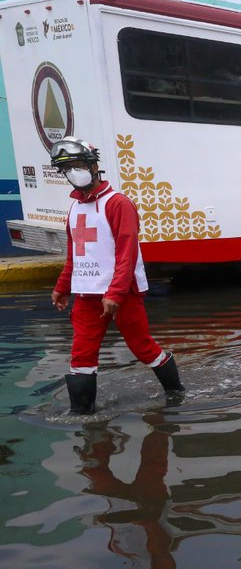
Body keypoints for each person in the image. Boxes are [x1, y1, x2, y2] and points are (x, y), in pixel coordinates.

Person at [49, 136, 183, 414]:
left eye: (78, 164)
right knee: (81, 354)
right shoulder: (74, 208)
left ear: (93, 166)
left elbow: (127, 253)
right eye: (67, 167)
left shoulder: (118, 204)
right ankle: (82, 416)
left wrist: (116, 292)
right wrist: (62, 287)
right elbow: (75, 253)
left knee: (142, 347)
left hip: (123, 294)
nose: (74, 171)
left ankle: (176, 393)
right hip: (86, 295)